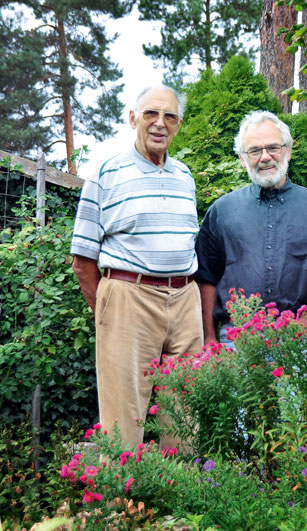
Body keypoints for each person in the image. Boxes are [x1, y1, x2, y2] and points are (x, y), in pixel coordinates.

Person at [70, 85, 203, 449]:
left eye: (170, 117)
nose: (160, 124)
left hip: (185, 298)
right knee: (124, 415)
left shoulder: (185, 176)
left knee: (186, 410)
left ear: (177, 125)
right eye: (151, 114)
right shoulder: (105, 173)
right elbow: (83, 261)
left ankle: (180, 499)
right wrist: (109, 313)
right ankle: (120, 503)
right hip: (129, 296)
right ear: (132, 118)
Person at [195, 111, 307, 345]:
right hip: (237, 340)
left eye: (273, 147)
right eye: (254, 150)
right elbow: (207, 278)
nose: (265, 157)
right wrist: (210, 339)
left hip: (304, 338)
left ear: (288, 150)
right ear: (243, 158)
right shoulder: (222, 212)